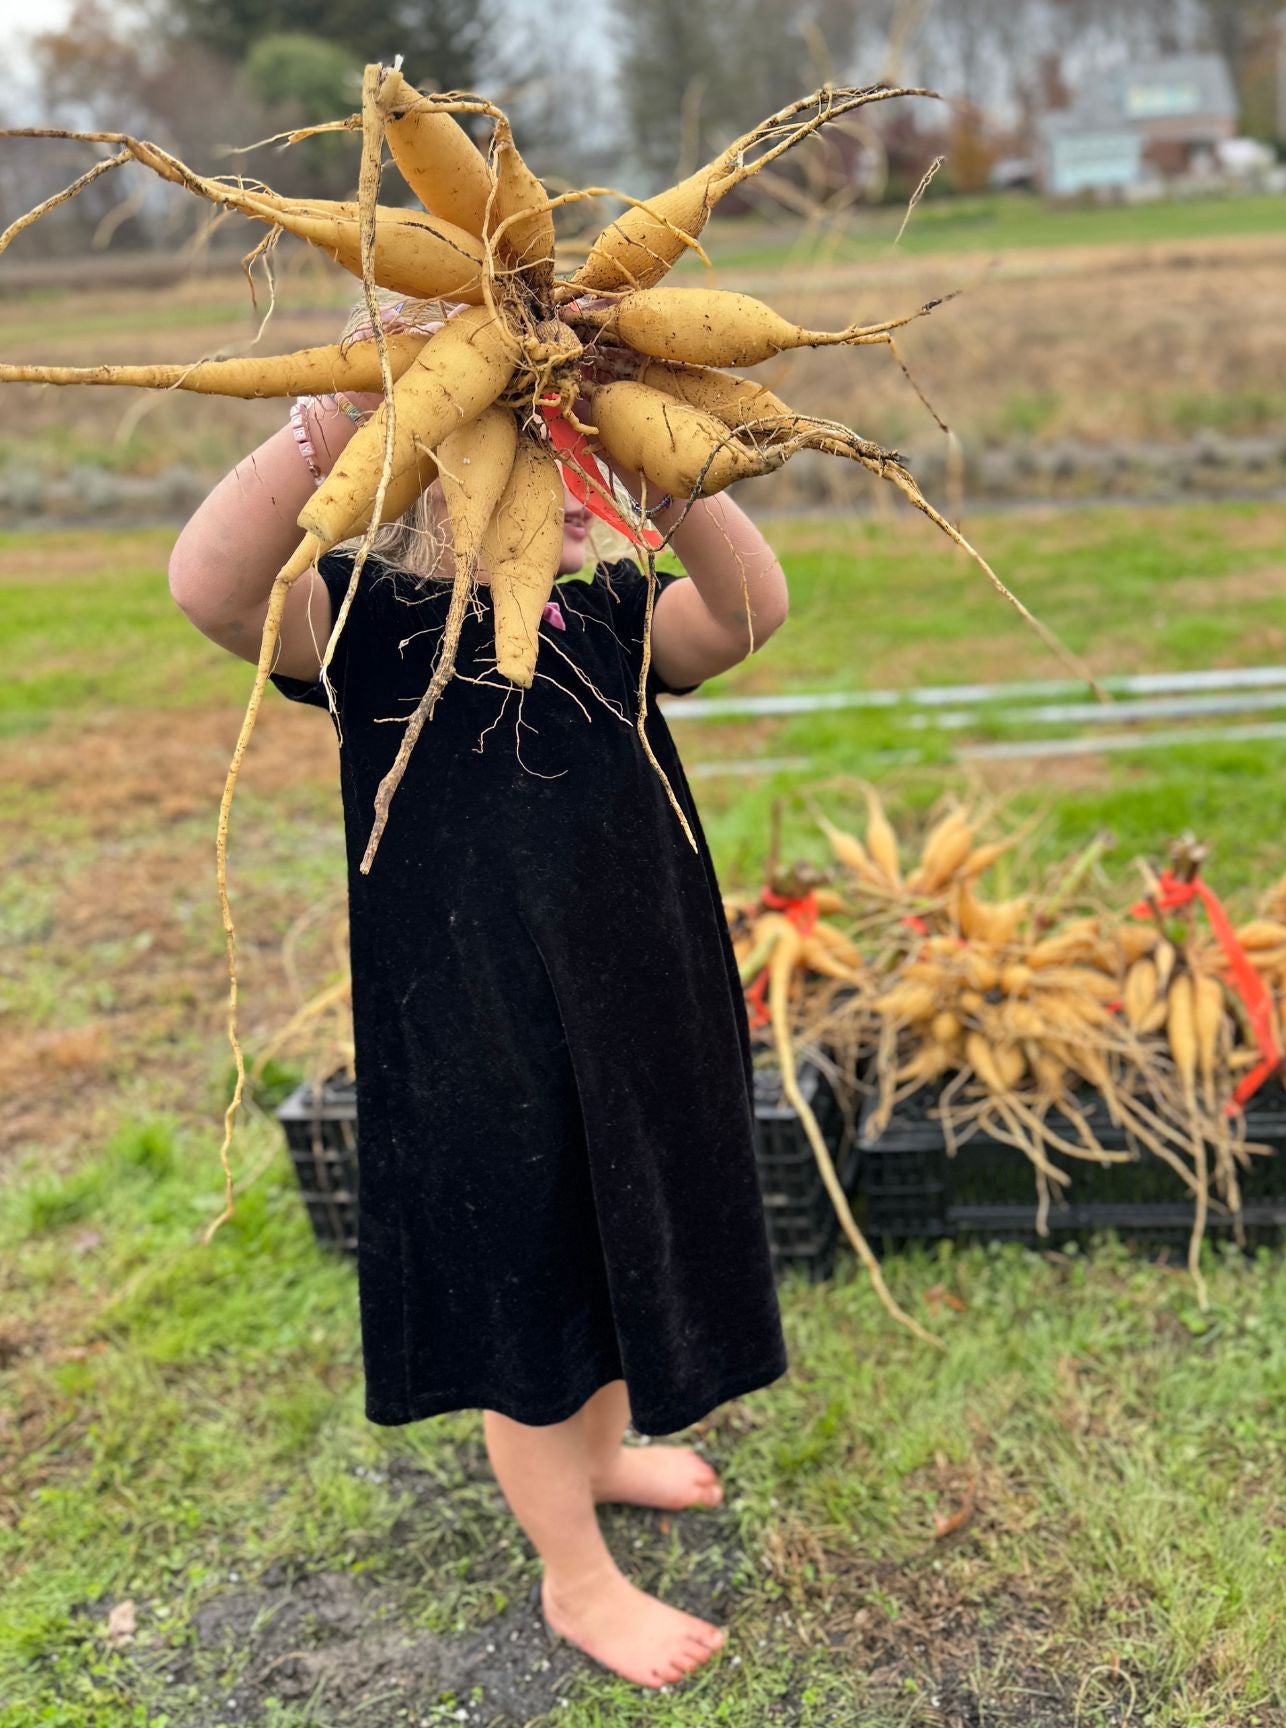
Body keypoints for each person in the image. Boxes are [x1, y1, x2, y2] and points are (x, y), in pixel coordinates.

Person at [164, 304, 794, 1691]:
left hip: (637, 1008)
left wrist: (664, 466)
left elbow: (747, 617)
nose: (564, 493)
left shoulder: (610, 616)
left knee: (621, 1238)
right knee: (524, 1290)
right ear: (425, 491)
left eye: (573, 470)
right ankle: (576, 1578)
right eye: (526, 467)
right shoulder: (374, 637)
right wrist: (335, 422)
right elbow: (208, 585)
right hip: (472, 1037)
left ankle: (608, 1450)